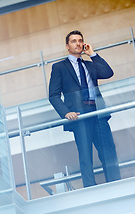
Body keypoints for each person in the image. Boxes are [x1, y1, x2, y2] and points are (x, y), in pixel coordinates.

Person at [48, 30, 121, 188]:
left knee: (108, 150)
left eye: (80, 40)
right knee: (85, 155)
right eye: (74, 41)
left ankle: (116, 185)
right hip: (79, 116)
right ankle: (90, 188)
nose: (78, 43)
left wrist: (92, 54)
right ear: (67, 46)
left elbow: (108, 73)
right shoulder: (59, 67)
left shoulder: (90, 64)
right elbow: (53, 95)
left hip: (97, 113)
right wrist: (66, 113)